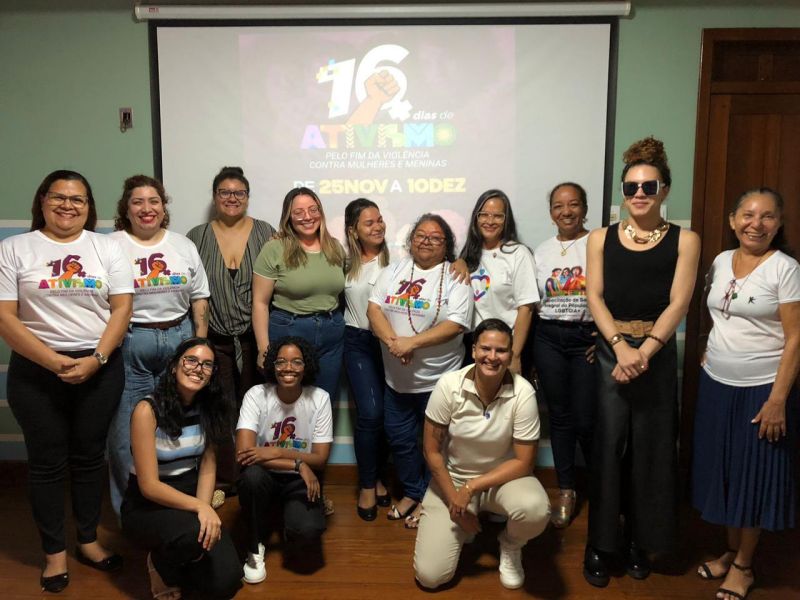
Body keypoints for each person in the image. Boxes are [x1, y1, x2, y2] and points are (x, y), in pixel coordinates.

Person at [0, 170, 133, 592]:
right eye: (59, 197)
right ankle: (54, 554)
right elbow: (4, 316)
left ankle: (89, 542)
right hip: (36, 372)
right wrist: (55, 361)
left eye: (78, 199)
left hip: (99, 367)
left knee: (91, 458)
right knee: (46, 463)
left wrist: (96, 359)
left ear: (89, 207)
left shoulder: (107, 247)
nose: (68, 205)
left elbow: (121, 310)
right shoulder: (15, 249)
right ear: (42, 201)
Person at [583, 137, 700, 587]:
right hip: (613, 349)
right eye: (631, 186)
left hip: (655, 352)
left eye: (649, 187)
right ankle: (601, 544)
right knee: (608, 448)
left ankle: (638, 541)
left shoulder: (685, 240)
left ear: (664, 190)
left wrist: (644, 352)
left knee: (651, 451)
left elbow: (679, 303)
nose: (639, 194)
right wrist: (620, 346)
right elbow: (594, 295)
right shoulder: (600, 238)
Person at [692, 188, 800, 600]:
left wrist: (777, 400)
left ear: (779, 224)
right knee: (722, 469)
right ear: (733, 220)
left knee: (752, 476)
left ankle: (743, 566)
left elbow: (795, 339)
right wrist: (707, 347)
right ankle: (730, 550)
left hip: (762, 391)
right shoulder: (721, 261)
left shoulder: (784, 269)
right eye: (748, 215)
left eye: (767, 216)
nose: (757, 224)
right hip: (717, 384)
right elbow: (718, 313)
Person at [414, 318, 550, 590]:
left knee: (535, 510)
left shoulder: (523, 393)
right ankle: (464, 522)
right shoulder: (449, 385)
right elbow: (431, 450)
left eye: (501, 351)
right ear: (474, 350)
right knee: (430, 577)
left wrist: (472, 487)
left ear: (510, 354)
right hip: (454, 478)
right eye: (485, 349)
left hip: (503, 480)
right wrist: (456, 502)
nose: (492, 357)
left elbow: (524, 462)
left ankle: (510, 543)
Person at [107, 175, 210, 517]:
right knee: (125, 435)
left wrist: (200, 347)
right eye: (138, 202)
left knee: (177, 429)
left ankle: (181, 507)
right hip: (132, 341)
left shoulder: (183, 246)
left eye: (154, 201)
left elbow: (199, 300)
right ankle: (132, 516)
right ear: (126, 208)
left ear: (164, 207)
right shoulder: (110, 245)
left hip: (180, 338)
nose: (147, 208)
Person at [367, 213, 473, 528]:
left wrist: (410, 344)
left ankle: (431, 499)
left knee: (436, 444)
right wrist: (392, 342)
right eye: (420, 235)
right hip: (396, 380)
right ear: (411, 240)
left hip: (438, 381)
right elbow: (374, 308)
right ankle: (413, 491)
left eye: (435, 237)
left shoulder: (456, 277)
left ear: (447, 246)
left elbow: (456, 325)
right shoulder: (393, 270)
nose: (426, 241)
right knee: (400, 440)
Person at [122, 338, 241, 600]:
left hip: (188, 492)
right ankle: (159, 563)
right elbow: (149, 486)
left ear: (212, 375)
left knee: (227, 581)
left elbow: (208, 467)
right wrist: (200, 509)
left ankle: (182, 558)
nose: (198, 368)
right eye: (191, 360)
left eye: (207, 365)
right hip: (147, 504)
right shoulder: (146, 410)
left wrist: (204, 509)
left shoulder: (211, 408)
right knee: (191, 535)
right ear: (175, 366)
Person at [187, 166, 276, 494]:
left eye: (239, 193)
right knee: (220, 409)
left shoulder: (267, 233)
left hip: (258, 339)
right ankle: (226, 479)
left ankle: (259, 474)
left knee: (260, 408)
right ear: (215, 197)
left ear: (248, 198)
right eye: (225, 192)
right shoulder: (196, 237)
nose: (232, 198)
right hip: (215, 340)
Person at [236, 336, 333, 583]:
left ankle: (285, 515)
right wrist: (298, 463)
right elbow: (245, 453)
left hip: (299, 481)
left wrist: (277, 451)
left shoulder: (319, 398)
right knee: (251, 478)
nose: (288, 368)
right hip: (265, 474)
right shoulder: (256, 395)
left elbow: (320, 459)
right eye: (281, 362)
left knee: (307, 533)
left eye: (296, 362)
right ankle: (255, 545)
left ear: (306, 366)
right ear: (272, 365)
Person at [532, 182, 596, 529]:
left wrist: (605, 335)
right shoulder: (540, 251)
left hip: (585, 337)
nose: (566, 211)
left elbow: (612, 290)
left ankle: (600, 489)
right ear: (551, 212)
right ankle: (566, 490)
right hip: (549, 337)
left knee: (586, 420)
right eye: (558, 206)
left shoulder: (597, 242)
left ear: (584, 208)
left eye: (573, 205)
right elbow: (532, 301)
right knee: (558, 417)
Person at [252, 187, 345, 401]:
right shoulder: (275, 248)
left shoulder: (335, 248)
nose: (307, 217)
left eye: (313, 209)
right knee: (288, 404)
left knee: (324, 401)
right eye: (299, 212)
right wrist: (263, 349)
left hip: (332, 333)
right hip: (289, 330)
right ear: (288, 217)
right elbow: (259, 303)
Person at [342, 198, 392, 520]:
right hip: (357, 342)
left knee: (390, 415)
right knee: (370, 413)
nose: (377, 227)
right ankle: (366, 484)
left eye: (379, 220)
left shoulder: (398, 262)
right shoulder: (342, 262)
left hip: (391, 344)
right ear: (354, 231)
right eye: (368, 223)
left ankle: (380, 476)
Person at [456, 189, 538, 374]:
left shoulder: (518, 254)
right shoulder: (467, 257)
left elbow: (526, 308)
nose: (490, 221)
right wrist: (460, 260)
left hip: (504, 347)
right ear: (476, 218)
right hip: (473, 347)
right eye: (483, 214)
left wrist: (514, 355)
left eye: (497, 216)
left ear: (506, 220)